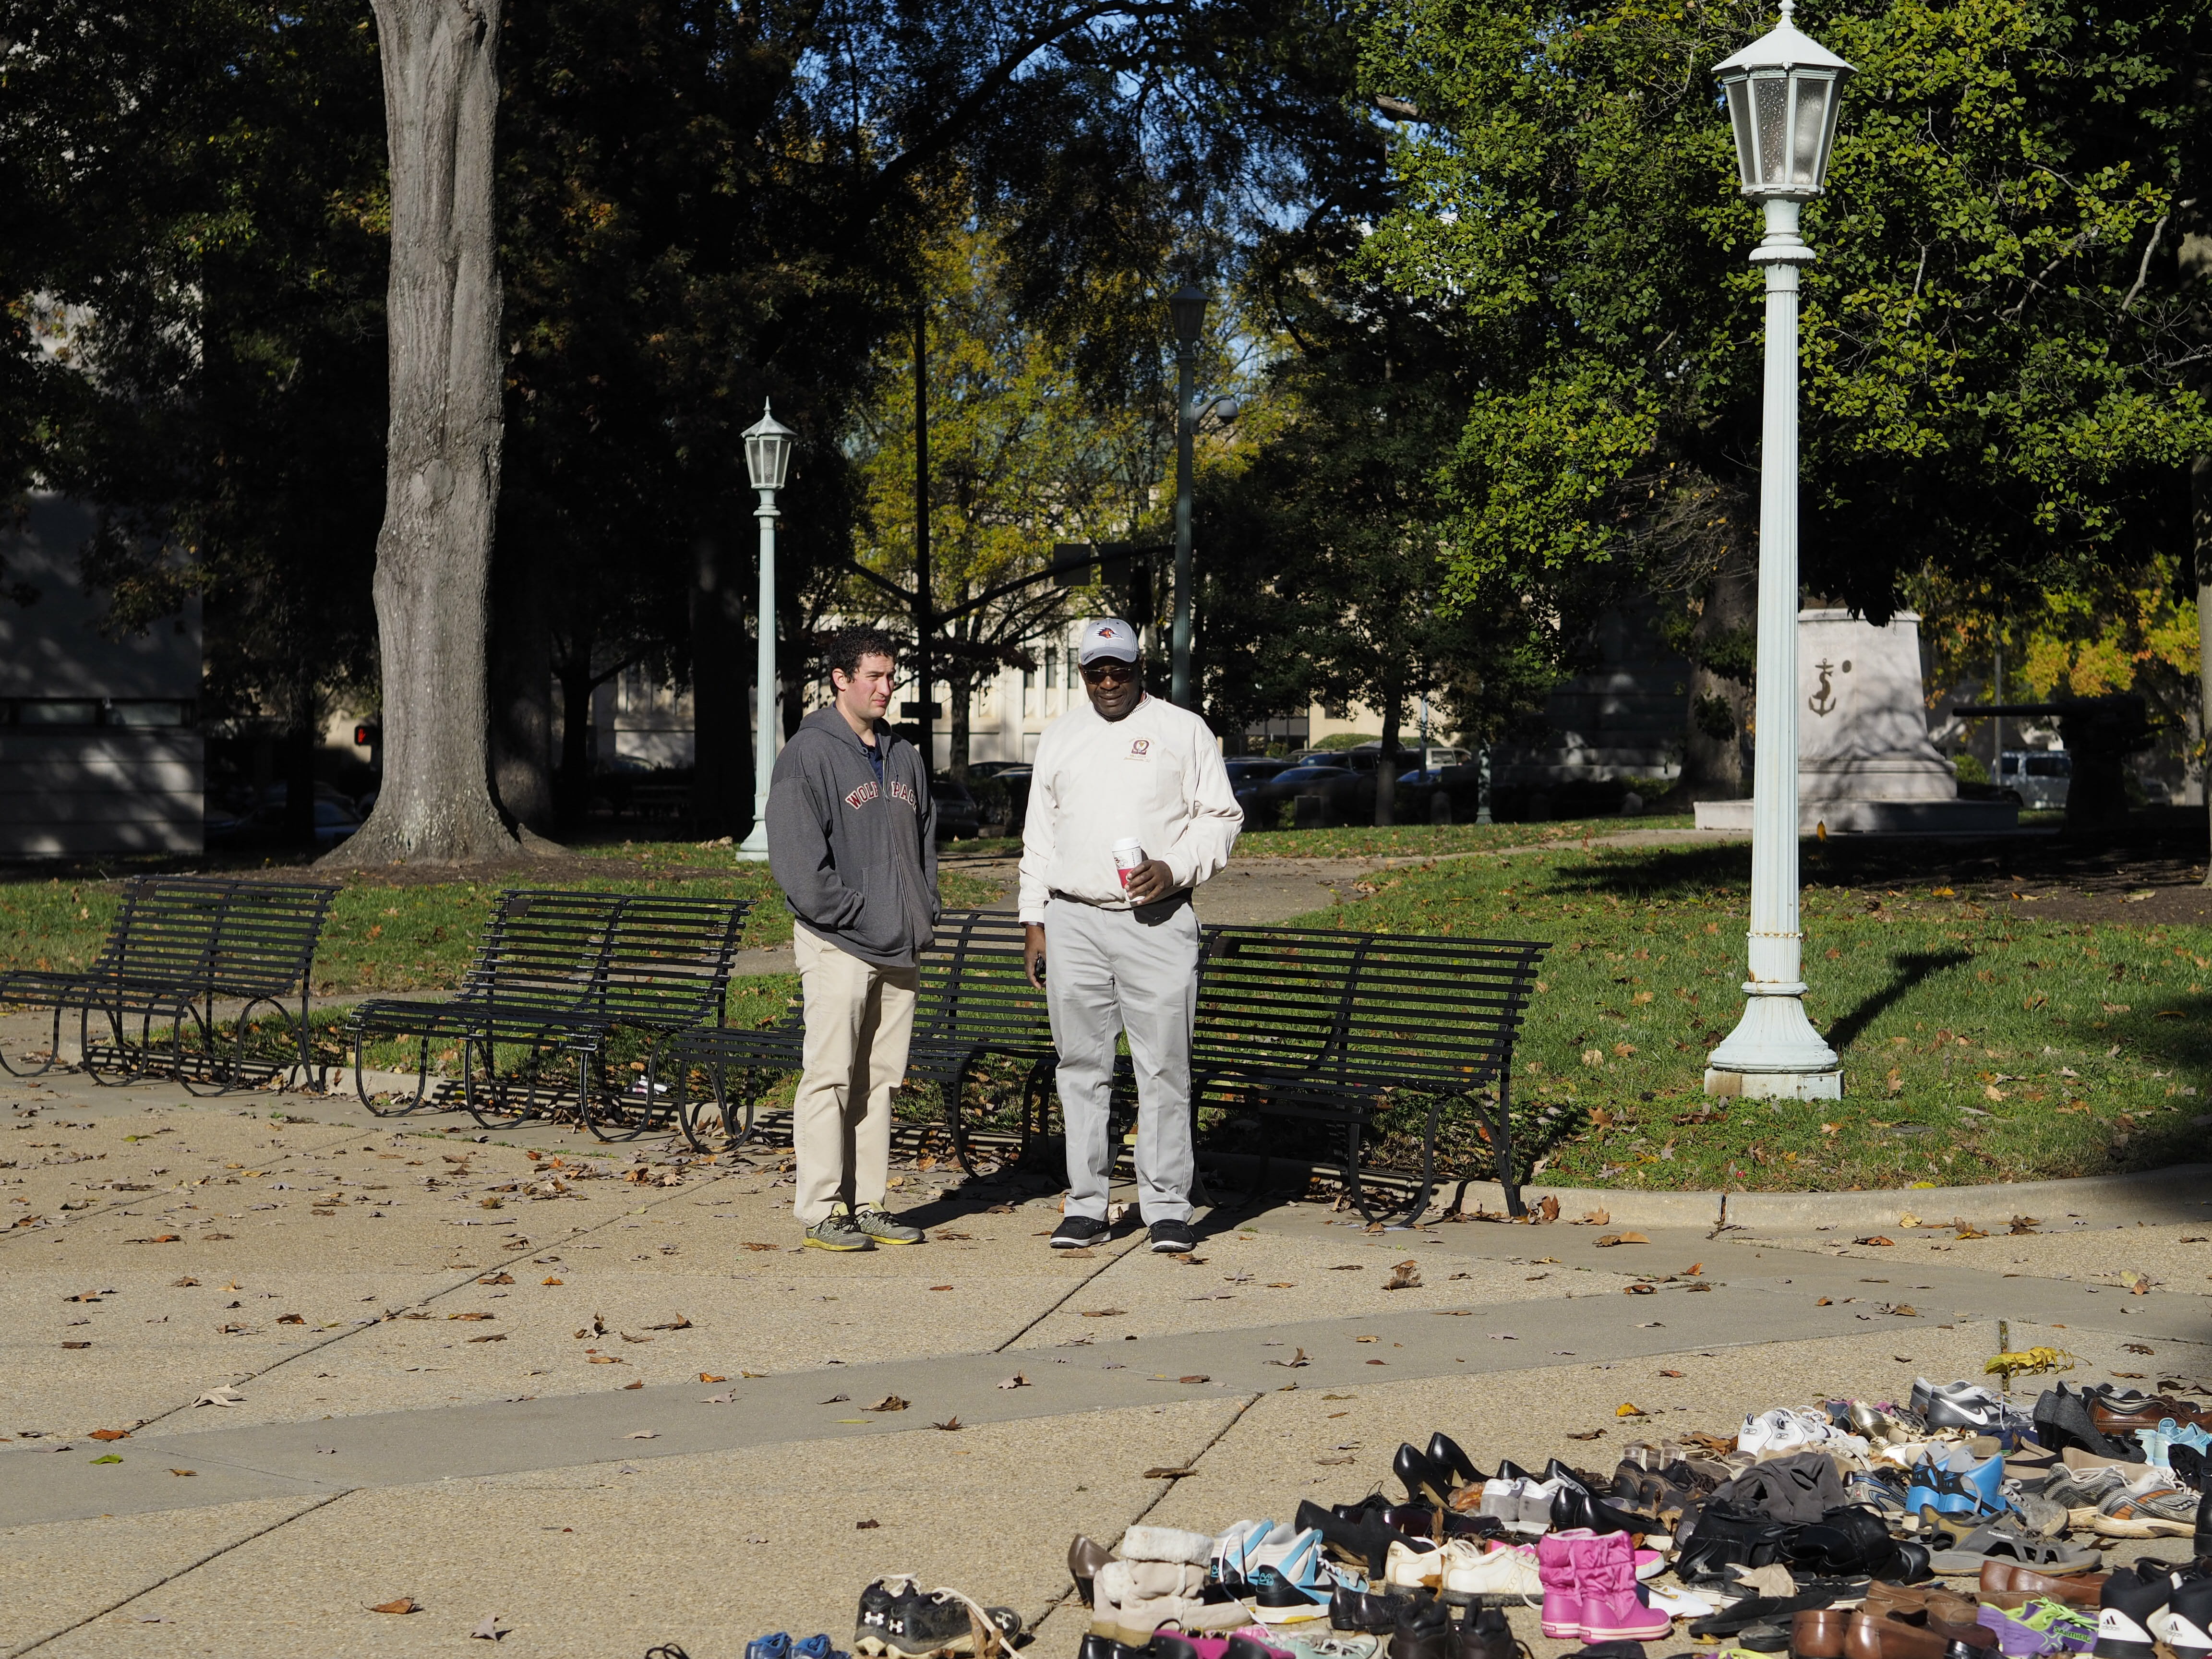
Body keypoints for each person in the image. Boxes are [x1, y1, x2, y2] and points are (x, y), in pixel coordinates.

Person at [1019, 618, 1242, 1254]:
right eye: (1098, 672)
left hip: (1158, 921)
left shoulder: (1183, 730)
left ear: (1141, 668)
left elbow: (1221, 819)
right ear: (1083, 673)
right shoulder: (1061, 737)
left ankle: (1166, 1206)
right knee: (1080, 1066)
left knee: (1164, 1066)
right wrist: (1034, 921)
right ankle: (1087, 1204)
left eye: (1120, 669)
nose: (1109, 681)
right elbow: (1040, 837)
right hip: (1073, 920)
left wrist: (1173, 868)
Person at [767, 627, 938, 1252]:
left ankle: (867, 1203)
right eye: (874, 676)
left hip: (899, 945)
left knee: (880, 1081)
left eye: (891, 676)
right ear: (840, 679)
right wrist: (855, 913)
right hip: (838, 942)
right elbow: (797, 864)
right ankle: (821, 1210)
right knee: (830, 1076)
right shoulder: (807, 755)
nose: (886, 688)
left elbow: (925, 842)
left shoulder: (904, 754)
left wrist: (922, 909)